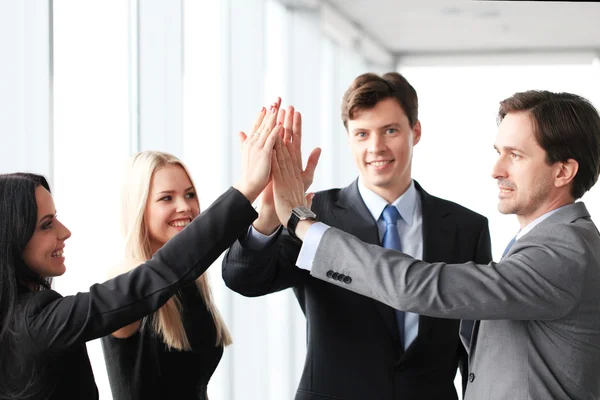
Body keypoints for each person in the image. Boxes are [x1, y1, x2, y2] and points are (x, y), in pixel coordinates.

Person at [272, 90, 600, 400]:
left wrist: (301, 222)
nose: (496, 171)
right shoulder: (552, 243)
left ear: (563, 172)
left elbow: (420, 287)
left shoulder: (564, 254)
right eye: (499, 153)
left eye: (515, 156)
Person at [222, 72, 492, 399]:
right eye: (362, 134)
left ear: (415, 131)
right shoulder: (311, 214)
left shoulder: (466, 228)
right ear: (348, 138)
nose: (376, 147)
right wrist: (266, 216)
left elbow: (475, 344)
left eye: (390, 130)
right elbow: (245, 280)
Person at [0, 101, 282, 400]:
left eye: (189, 194)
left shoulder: (24, 317)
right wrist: (247, 187)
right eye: (46, 224)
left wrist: (263, 203)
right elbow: (159, 273)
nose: (65, 231)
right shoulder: (36, 320)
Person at [101, 150, 232, 400]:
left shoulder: (190, 283)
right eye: (166, 198)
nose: (184, 207)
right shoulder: (126, 277)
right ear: (139, 207)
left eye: (189, 194)